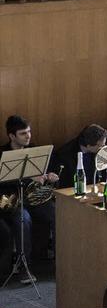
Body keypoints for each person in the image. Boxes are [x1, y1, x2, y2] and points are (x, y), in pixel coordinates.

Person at [0, 116, 58, 282]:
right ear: (11, 136)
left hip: (33, 198)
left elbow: (40, 176)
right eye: (23, 133)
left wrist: (48, 177)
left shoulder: (35, 151)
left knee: (56, 214)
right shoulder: (3, 154)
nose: (28, 136)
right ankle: (25, 268)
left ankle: (60, 262)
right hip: (11, 200)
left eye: (29, 132)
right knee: (22, 219)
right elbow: (3, 181)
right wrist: (29, 178)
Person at [57, 124, 107, 188]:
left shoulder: (95, 148)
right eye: (101, 146)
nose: (104, 148)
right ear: (89, 146)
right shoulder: (65, 155)